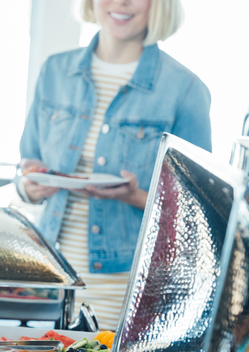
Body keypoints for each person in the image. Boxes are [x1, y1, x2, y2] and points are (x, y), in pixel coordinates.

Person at [16, 0, 211, 330]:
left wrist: (134, 196)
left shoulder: (186, 89)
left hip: (127, 288)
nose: (122, 2)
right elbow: (25, 169)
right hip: (50, 279)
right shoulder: (54, 71)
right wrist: (30, 186)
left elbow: (197, 215)